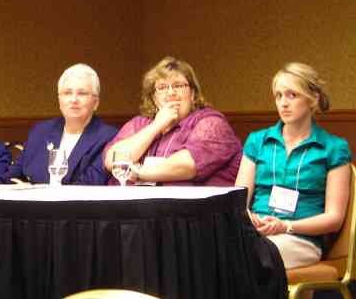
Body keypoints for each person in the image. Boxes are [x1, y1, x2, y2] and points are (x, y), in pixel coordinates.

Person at [235, 62, 352, 270]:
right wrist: (250, 218)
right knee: (216, 251)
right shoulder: (257, 141)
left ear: (313, 99)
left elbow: (334, 218)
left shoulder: (334, 148)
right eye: (279, 96)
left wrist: (286, 226)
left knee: (249, 256)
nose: (283, 103)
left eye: (292, 95)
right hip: (255, 233)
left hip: (301, 239)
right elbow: (238, 199)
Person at [104, 56, 242, 185]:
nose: (171, 93)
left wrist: (137, 173)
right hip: (135, 206)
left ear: (192, 94)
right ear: (154, 97)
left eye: (178, 86)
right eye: (162, 87)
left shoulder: (211, 122)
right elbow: (113, 160)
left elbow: (187, 165)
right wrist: (156, 126)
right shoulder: (139, 124)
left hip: (191, 208)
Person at [5, 63, 118, 185]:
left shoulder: (108, 137)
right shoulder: (41, 131)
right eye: (67, 93)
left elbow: (89, 185)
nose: (74, 100)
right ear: (59, 100)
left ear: (95, 103)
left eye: (82, 93)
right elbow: (11, 176)